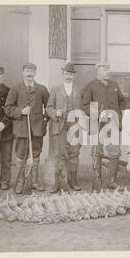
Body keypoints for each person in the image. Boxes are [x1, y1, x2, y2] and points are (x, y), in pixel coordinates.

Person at [4, 62, 50, 193]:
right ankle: (20, 182)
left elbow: (49, 108)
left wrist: (43, 122)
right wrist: (21, 111)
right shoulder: (15, 89)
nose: (29, 73)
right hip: (21, 129)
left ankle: (35, 182)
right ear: (23, 72)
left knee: (35, 155)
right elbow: (8, 108)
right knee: (20, 155)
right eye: (27, 71)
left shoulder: (42, 89)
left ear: (35, 73)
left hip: (37, 130)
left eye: (32, 71)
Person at [82, 62, 126, 190]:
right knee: (97, 151)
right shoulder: (90, 86)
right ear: (98, 72)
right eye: (105, 69)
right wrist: (97, 113)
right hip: (97, 124)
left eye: (108, 69)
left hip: (113, 124)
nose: (108, 72)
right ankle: (97, 180)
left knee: (115, 151)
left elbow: (122, 101)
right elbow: (84, 106)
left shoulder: (114, 85)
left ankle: (112, 181)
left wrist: (118, 114)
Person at [46, 62, 84, 193]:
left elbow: (84, 108)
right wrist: (55, 112)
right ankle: (58, 182)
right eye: (66, 74)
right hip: (60, 126)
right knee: (59, 154)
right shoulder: (55, 90)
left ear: (74, 76)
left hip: (75, 126)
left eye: (71, 74)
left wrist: (79, 116)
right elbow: (48, 108)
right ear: (63, 74)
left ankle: (73, 181)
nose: (69, 77)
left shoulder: (79, 90)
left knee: (74, 153)